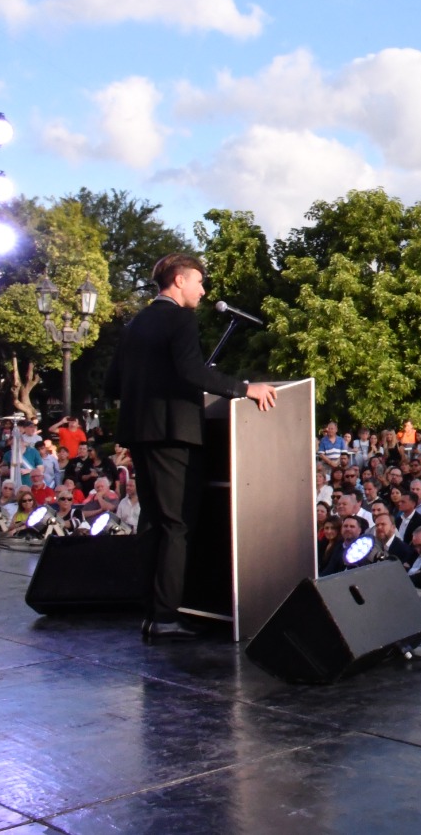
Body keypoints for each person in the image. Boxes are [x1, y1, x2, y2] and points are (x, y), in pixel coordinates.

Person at [104, 253, 277, 642]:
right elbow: (190, 371)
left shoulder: (135, 324)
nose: (202, 290)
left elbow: (113, 385)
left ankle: (151, 613)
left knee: (153, 523)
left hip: (140, 434)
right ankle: (166, 617)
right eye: (198, 282)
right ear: (179, 281)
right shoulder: (180, 318)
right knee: (176, 525)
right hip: (173, 435)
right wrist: (245, 389)